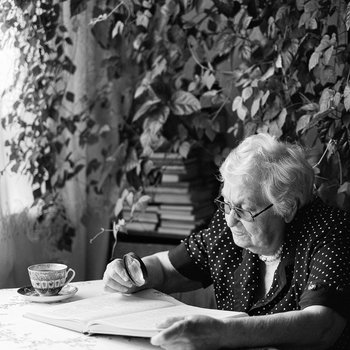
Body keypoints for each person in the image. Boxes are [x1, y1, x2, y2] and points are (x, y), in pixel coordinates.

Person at [103, 133, 350, 350]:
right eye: (226, 204)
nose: (231, 220)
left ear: (286, 208)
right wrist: (131, 273)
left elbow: (322, 326)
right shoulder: (228, 228)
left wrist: (223, 333)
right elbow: (166, 270)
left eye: (243, 209)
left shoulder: (330, 231)